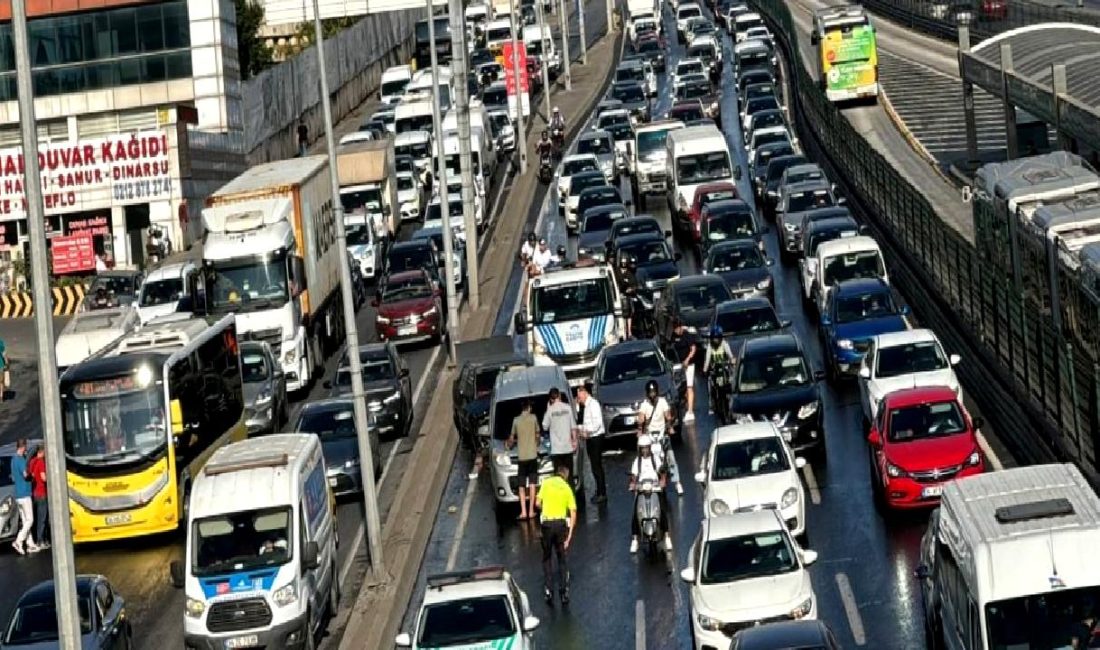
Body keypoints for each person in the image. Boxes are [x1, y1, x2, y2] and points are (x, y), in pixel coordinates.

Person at [535, 464, 577, 604]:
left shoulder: (546, 483)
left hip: (547, 525)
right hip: (560, 525)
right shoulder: (566, 488)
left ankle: (549, 590)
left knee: (547, 557)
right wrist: (569, 537)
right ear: (566, 476)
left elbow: (537, 503)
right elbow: (573, 512)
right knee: (561, 558)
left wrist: (544, 508)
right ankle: (564, 592)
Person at [637, 380, 682, 495]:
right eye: (650, 393)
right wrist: (640, 428)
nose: (652, 395)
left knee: (671, 458)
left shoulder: (662, 402)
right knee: (647, 457)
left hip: (662, 434)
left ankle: (677, 482)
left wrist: (669, 425)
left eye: (654, 392)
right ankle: (648, 480)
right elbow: (641, 417)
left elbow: (668, 415)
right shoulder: (644, 405)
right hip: (651, 436)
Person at [629, 434, 672, 553]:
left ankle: (667, 536)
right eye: (642, 448)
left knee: (662, 510)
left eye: (646, 447)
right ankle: (635, 539)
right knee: (635, 512)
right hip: (642, 489)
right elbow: (633, 476)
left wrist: (662, 481)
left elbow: (662, 471)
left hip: (655, 488)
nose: (644, 450)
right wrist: (633, 484)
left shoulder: (655, 459)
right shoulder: (637, 461)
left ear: (650, 447)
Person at [506, 400, 541, 520]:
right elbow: (538, 435)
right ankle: (531, 511)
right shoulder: (533, 418)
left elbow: (511, 438)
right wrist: (536, 444)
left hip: (522, 457)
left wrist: (509, 445)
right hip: (532, 456)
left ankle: (523, 512)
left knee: (521, 485)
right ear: (529, 407)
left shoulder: (516, 420)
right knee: (532, 484)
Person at [574, 383, 607, 504]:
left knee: (597, 466)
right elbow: (583, 421)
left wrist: (588, 432)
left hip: (595, 438)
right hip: (590, 438)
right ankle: (599, 490)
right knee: (594, 466)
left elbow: (597, 423)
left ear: (585, 393)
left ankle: (602, 493)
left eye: (579, 396)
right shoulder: (585, 406)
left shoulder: (593, 404)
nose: (578, 398)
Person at [9, 438, 38, 555]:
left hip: (18, 494)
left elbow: (13, 477)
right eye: (25, 447)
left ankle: (30, 544)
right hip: (25, 493)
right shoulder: (21, 460)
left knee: (25, 521)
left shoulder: (13, 460)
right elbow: (26, 475)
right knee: (30, 520)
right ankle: (18, 541)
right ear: (23, 447)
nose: (26, 449)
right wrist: (32, 475)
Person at [669, 321, 698, 423]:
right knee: (681, 387)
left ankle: (690, 411)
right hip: (678, 364)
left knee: (689, 386)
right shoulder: (673, 336)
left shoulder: (687, 335)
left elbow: (693, 349)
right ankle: (686, 403)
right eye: (674, 328)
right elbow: (671, 347)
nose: (676, 330)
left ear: (681, 327)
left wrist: (687, 359)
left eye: (677, 328)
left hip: (689, 364)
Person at [703, 325, 735, 415]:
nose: (715, 340)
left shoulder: (724, 344)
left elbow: (730, 355)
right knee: (710, 386)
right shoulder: (710, 346)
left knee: (731, 382)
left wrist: (732, 361)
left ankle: (732, 402)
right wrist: (705, 369)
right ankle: (711, 405)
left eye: (717, 338)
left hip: (724, 369)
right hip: (714, 370)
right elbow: (707, 359)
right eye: (714, 338)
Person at [542, 387, 575, 475]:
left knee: (559, 476)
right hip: (567, 447)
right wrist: (574, 441)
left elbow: (545, 427)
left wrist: (548, 410)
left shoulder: (550, 410)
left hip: (556, 449)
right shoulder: (568, 408)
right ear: (559, 395)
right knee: (569, 474)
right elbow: (573, 427)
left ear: (550, 399)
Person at [28, 446, 48, 550]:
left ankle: (39, 539)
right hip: (42, 492)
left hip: (35, 493)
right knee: (42, 518)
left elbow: (31, 474)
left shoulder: (32, 461)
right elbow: (43, 477)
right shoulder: (40, 462)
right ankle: (40, 541)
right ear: (41, 452)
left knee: (37, 518)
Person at [0, 334, 8, 402]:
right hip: (0, 365)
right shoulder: (0, 342)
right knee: (1, 382)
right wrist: (6, 363)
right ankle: (1, 396)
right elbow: (4, 354)